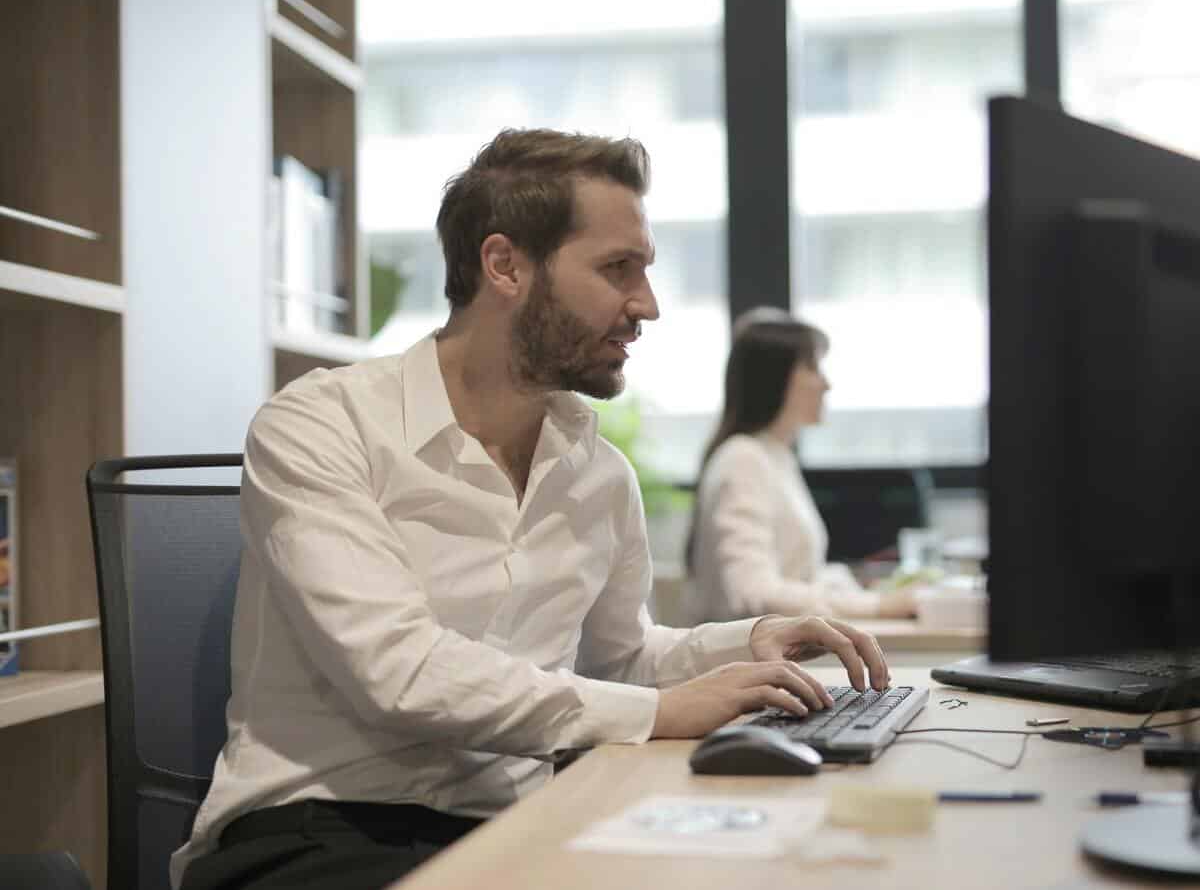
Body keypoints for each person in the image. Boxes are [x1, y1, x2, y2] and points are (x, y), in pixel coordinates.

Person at [174, 130, 891, 890]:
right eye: (619, 269)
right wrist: (659, 713)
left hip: (515, 825)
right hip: (321, 830)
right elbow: (400, 672)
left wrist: (746, 643)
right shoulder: (320, 425)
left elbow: (619, 660)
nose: (645, 306)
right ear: (505, 265)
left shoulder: (597, 473)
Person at [684, 307, 918, 625]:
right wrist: (877, 606)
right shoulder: (743, 459)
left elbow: (805, 577)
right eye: (813, 367)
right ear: (776, 377)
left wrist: (871, 596)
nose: (826, 384)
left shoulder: (775, 456)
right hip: (749, 663)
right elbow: (753, 591)